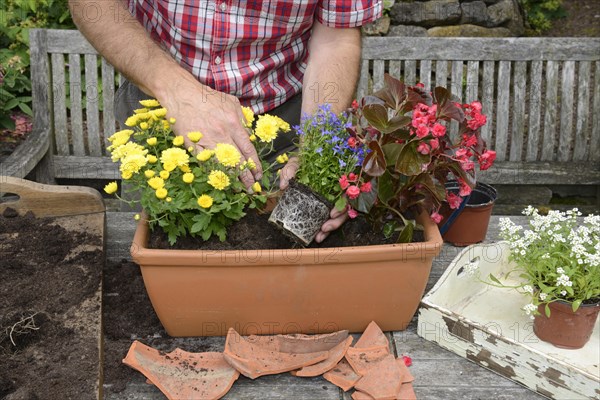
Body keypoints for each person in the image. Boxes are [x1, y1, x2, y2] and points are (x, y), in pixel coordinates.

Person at [69, 0, 382, 242]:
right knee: (151, 260)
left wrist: (317, 151)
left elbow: (335, 38)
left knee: (286, 264)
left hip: (284, 124)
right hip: (159, 111)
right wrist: (178, 92)